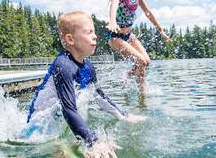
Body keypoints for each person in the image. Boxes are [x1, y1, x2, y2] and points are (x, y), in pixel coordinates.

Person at [25, 11, 146, 157]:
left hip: (62, 124)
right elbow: (67, 108)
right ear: (70, 39)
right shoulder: (63, 65)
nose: (95, 36)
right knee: (66, 154)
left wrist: (125, 116)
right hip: (39, 131)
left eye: (94, 32)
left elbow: (99, 96)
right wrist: (93, 141)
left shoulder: (88, 66)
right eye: (89, 32)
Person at [106, 0, 172, 94]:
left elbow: (148, 12)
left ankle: (128, 73)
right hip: (115, 36)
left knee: (146, 61)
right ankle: (142, 95)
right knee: (140, 61)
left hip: (128, 35)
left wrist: (160, 30)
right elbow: (113, 5)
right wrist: (112, 21)